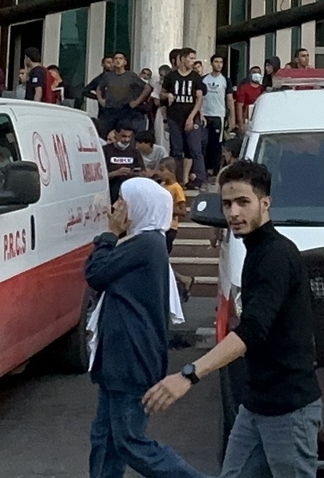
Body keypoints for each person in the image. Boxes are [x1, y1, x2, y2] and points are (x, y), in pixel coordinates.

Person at [143, 160, 320, 478]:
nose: (234, 213)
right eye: (227, 204)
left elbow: (251, 331)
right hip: (256, 404)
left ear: (265, 203)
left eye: (243, 202)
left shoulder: (276, 256)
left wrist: (187, 375)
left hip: (288, 409)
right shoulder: (255, 251)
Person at [87, 178, 201, 478]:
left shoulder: (146, 244)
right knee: (105, 438)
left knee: (129, 442)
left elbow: (96, 273)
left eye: (123, 202)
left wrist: (109, 234)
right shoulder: (142, 242)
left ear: (140, 206)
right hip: (118, 358)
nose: (116, 208)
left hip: (130, 357)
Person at [160, 50, 204, 188]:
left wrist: (192, 117)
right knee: (176, 150)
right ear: (183, 59)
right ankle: (177, 179)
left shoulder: (196, 77)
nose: (193, 61)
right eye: (191, 58)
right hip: (175, 117)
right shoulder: (171, 77)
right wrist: (168, 96)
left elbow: (199, 98)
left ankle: (199, 179)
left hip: (191, 117)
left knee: (195, 149)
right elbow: (161, 94)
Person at [203, 54, 231, 178]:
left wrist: (232, 117)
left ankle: (214, 169)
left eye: (221, 62)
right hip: (204, 115)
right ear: (211, 63)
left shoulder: (225, 80)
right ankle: (203, 168)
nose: (219, 64)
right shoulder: (204, 79)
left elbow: (229, 99)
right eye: (216, 61)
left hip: (218, 115)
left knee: (216, 144)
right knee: (204, 143)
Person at [104, 126, 143, 203]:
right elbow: (99, 177)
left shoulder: (135, 152)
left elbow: (142, 173)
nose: (126, 140)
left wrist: (132, 173)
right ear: (116, 134)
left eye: (129, 137)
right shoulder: (105, 150)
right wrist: (115, 173)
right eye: (123, 136)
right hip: (111, 192)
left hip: (130, 193)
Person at [233, 65, 265, 132]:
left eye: (258, 72)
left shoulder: (263, 89)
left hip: (260, 120)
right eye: (254, 72)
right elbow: (239, 106)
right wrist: (240, 123)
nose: (257, 74)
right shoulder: (244, 88)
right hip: (247, 120)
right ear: (250, 74)